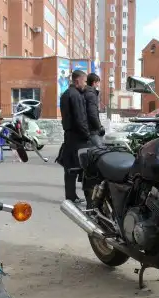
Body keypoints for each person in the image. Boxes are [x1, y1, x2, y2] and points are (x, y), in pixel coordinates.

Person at [58, 70, 89, 203]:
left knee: (69, 168)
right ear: (77, 81)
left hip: (69, 135)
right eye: (84, 81)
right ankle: (75, 197)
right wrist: (87, 134)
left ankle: (70, 196)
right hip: (77, 136)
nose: (85, 84)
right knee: (82, 166)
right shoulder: (76, 95)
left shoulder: (66, 94)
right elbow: (80, 117)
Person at [83, 73, 105, 146]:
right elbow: (92, 114)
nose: (98, 85)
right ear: (94, 83)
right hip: (92, 130)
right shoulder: (91, 95)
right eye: (98, 82)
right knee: (99, 149)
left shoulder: (84, 92)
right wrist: (99, 127)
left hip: (86, 128)